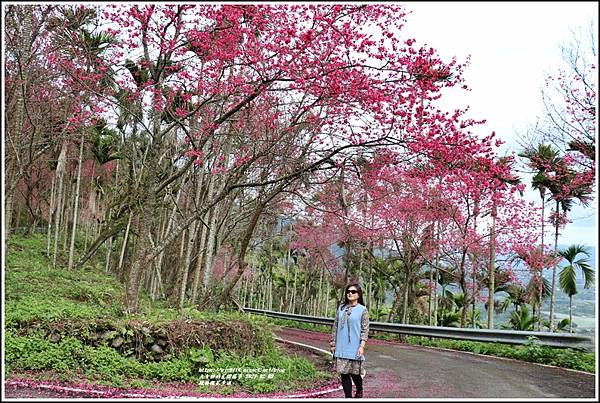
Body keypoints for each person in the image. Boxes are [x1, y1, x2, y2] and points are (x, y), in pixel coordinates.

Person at [330, 283, 369, 398]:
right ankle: (348, 397)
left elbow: (364, 330)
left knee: (355, 373)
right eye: (348, 291)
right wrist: (333, 344)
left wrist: (362, 346)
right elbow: (335, 327)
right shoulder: (341, 308)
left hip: (355, 347)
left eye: (353, 292)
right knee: (344, 374)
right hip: (341, 347)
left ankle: (360, 389)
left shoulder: (363, 310)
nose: (350, 293)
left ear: (359, 295)